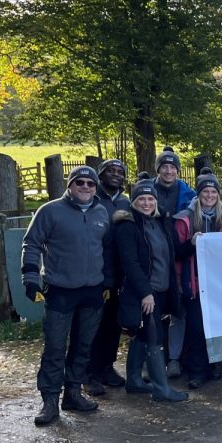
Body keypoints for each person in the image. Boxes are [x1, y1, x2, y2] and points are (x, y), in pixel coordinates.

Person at [22, 166, 113, 426]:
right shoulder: (50, 211)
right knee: (55, 347)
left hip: (92, 291)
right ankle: (50, 400)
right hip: (61, 289)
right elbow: (32, 244)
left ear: (96, 188)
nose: (85, 187)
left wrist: (107, 280)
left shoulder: (101, 213)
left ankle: (73, 393)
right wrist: (30, 278)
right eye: (80, 182)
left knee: (83, 346)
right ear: (70, 185)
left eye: (90, 184)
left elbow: (106, 249)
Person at [113, 175, 188, 403]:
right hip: (145, 292)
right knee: (154, 337)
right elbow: (130, 264)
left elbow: (173, 251)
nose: (146, 203)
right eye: (141, 199)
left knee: (144, 334)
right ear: (133, 201)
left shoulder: (160, 223)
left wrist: (194, 242)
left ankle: (134, 380)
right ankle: (161, 388)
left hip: (163, 289)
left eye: (150, 198)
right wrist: (145, 293)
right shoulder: (127, 226)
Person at [172, 168, 222, 389]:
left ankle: (211, 366)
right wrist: (191, 244)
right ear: (199, 194)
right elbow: (175, 251)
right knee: (196, 327)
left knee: (215, 327)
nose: (210, 196)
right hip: (193, 282)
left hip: (217, 283)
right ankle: (196, 371)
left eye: (214, 192)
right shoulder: (184, 219)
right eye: (206, 192)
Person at [85, 158, 130, 397]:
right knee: (93, 326)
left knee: (113, 324)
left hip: (117, 273)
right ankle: (89, 373)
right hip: (95, 273)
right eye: (110, 171)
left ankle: (106, 367)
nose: (115, 175)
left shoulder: (124, 201)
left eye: (119, 172)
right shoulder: (91, 198)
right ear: (101, 175)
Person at [151, 146, 196, 379]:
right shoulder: (147, 192)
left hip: (181, 259)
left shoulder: (189, 195)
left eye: (173, 167)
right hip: (154, 259)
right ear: (158, 169)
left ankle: (175, 359)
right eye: (164, 167)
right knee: (151, 313)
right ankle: (151, 361)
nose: (169, 171)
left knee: (179, 313)